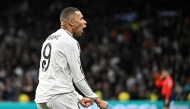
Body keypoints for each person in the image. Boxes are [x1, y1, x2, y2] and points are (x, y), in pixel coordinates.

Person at [34, 7, 108, 109]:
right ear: (71, 22)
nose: (85, 22)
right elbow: (78, 78)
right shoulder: (69, 41)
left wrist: (79, 98)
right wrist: (97, 99)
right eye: (81, 19)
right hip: (60, 97)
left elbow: (57, 77)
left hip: (42, 98)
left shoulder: (49, 39)